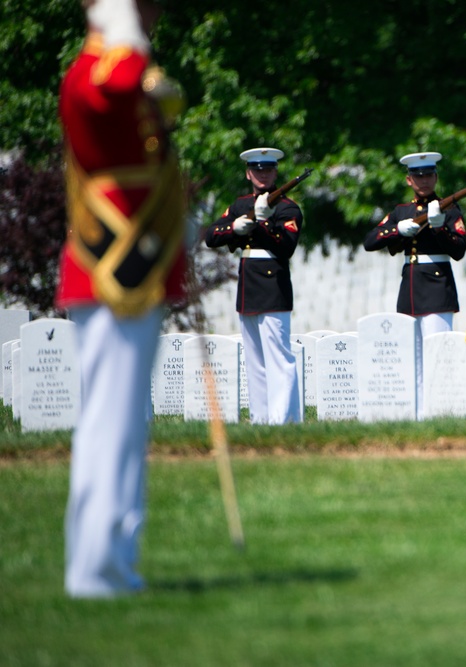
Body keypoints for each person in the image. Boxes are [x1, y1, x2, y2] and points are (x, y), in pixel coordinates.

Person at [60, 0, 187, 597]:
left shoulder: (120, 72)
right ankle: (97, 571)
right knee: (111, 424)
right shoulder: (95, 75)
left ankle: (116, 560)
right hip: (114, 271)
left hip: (138, 269)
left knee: (125, 425)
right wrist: (123, 31)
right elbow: (111, 94)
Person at [362, 152, 466, 419]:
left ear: (436, 177)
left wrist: (439, 226)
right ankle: (416, 413)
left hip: (437, 287)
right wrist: (398, 229)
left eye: (428, 175)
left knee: (437, 353)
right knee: (411, 356)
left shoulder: (450, 210)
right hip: (410, 288)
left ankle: (440, 411)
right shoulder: (402, 212)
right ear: (409, 180)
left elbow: (459, 250)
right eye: (418, 176)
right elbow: (370, 240)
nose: (424, 180)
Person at [205, 147, 303, 425]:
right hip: (248, 285)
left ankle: (283, 420)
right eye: (257, 170)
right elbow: (212, 236)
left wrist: (261, 223)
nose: (263, 174)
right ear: (249, 173)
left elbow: (286, 246)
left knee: (278, 358)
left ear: (275, 172)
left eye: (268, 170)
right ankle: (261, 420)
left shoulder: (287, 208)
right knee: (255, 360)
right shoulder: (239, 205)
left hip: (274, 285)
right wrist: (235, 226)